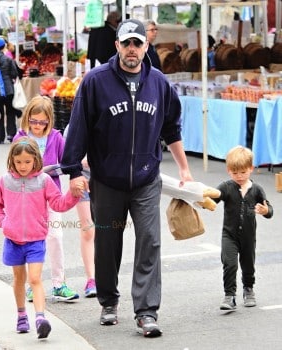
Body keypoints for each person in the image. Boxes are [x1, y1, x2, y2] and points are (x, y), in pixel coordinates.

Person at [61, 18, 193, 338]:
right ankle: (108, 300)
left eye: (137, 43)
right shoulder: (95, 81)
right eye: (126, 43)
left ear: (146, 46)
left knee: (149, 240)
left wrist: (185, 168)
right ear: (117, 46)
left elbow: (171, 127)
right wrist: (74, 172)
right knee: (108, 243)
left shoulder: (159, 83)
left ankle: (146, 311)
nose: (132, 49)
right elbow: (78, 127)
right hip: (106, 180)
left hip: (147, 179)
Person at [0, 137, 82, 339]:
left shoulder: (44, 181)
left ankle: (40, 318)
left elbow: (58, 203)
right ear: (12, 160)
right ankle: (22, 315)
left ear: (36, 160)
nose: (22, 166)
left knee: (35, 278)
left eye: (27, 162)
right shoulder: (5, 180)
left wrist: (74, 195)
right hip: (13, 240)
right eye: (18, 162)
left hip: (36, 240)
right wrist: (4, 223)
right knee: (19, 279)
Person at [13, 96, 79, 302]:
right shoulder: (20, 138)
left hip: (51, 195)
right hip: (28, 198)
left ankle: (59, 283)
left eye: (42, 122)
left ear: (49, 120)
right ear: (27, 118)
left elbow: (68, 162)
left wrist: (65, 170)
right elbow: (12, 168)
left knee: (55, 237)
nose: (38, 126)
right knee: (31, 241)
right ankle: (32, 285)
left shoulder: (56, 137)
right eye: (34, 121)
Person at [214, 146, 273, 311]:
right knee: (229, 263)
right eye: (234, 173)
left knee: (248, 264)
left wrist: (265, 210)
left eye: (243, 172)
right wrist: (201, 199)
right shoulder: (226, 187)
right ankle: (229, 295)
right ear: (228, 171)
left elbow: (270, 211)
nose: (239, 176)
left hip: (248, 236)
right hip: (229, 234)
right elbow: (213, 199)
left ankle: (248, 289)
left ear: (251, 169)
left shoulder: (257, 190)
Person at [63, 125, 96, 298]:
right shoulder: (73, 127)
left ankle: (106, 279)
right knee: (88, 230)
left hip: (108, 181)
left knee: (108, 232)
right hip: (82, 180)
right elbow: (68, 156)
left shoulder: (109, 117)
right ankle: (91, 279)